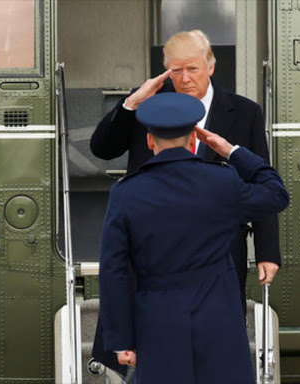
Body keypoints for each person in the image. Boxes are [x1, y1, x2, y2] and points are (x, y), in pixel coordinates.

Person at [98, 92, 289, 383]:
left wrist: (120, 338)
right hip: (220, 319)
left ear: (150, 141)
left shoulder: (126, 193)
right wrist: (232, 151)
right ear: (194, 141)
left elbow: (114, 270)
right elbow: (276, 194)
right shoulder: (223, 181)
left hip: (157, 322)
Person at [90, 30, 281, 316]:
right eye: (176, 71)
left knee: (221, 334)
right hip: (156, 253)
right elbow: (102, 149)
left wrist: (267, 252)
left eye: (193, 69)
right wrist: (132, 104)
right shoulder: (148, 106)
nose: (185, 78)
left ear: (211, 67)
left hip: (221, 252)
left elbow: (259, 177)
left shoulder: (244, 112)